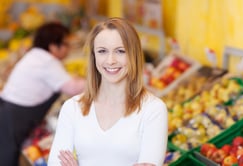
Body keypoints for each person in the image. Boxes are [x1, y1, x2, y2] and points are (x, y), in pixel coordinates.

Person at [48, 17, 168, 166]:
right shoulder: (72, 107)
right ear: (94, 56)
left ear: (134, 55)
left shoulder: (153, 110)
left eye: (120, 51)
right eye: (102, 51)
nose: (110, 60)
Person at [0, 22, 85, 166]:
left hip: (10, 112)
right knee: (6, 158)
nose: (69, 49)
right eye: (66, 44)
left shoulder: (36, 56)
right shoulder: (47, 62)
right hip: (13, 117)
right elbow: (72, 88)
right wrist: (98, 81)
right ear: (53, 46)